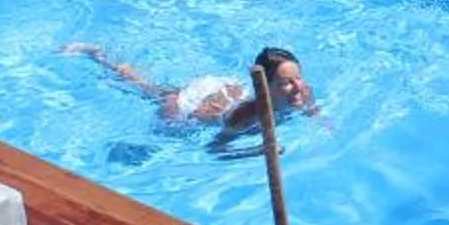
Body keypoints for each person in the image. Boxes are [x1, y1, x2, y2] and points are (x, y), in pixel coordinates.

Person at [68, 42, 320, 142]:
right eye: (286, 82)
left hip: (226, 89)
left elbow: (311, 110)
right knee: (145, 91)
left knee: (152, 87)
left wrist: (322, 122)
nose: (297, 86)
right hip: (190, 107)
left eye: (298, 77)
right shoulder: (244, 117)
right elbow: (216, 149)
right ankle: (97, 56)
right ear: (264, 86)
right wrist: (255, 151)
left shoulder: (302, 90)